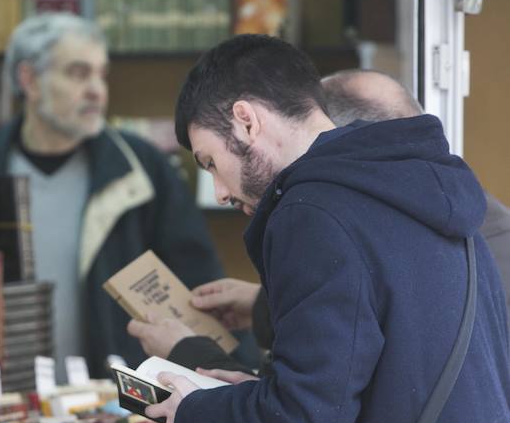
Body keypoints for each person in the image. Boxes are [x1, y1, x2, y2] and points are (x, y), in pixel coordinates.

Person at [147, 34, 510, 423]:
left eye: (210, 162)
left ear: (245, 121)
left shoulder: (313, 212)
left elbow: (309, 419)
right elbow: (377, 381)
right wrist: (249, 393)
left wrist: (195, 415)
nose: (219, 190)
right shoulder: (427, 190)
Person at [0, 13, 229, 374]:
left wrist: (227, 384)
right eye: (78, 73)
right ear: (29, 80)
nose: (97, 90)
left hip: (116, 402)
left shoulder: (143, 169)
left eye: (101, 74)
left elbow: (200, 285)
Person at [129, 68, 510, 365]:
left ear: (351, 140)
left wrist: (189, 356)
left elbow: (319, 409)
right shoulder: (456, 221)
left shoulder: (366, 230)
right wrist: (265, 306)